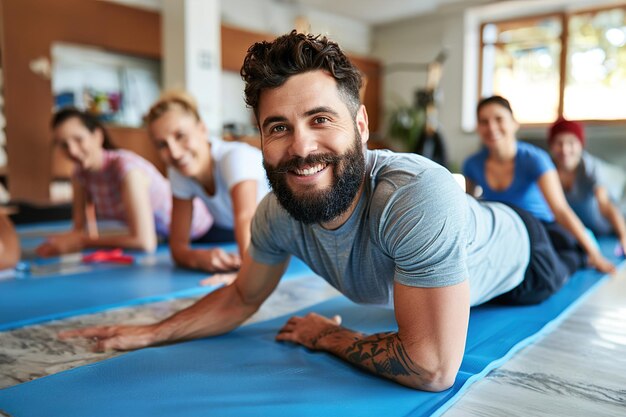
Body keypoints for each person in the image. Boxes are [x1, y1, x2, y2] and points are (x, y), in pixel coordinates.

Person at [59, 31, 613, 392]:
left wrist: (329, 336)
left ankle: (574, 239)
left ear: (363, 127)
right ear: (260, 139)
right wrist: (150, 333)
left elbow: (433, 367)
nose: (300, 147)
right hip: (460, 225)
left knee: (578, 248)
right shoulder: (276, 215)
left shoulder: (411, 194)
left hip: (524, 258)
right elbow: (241, 295)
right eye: (279, 127)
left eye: (321, 119)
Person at [463, 96, 614, 274]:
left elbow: (560, 210)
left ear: (514, 123)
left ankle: (580, 252)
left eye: (499, 119)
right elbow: (469, 212)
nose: (492, 127)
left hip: (543, 231)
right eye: (484, 121)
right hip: (505, 232)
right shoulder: (472, 164)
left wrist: (595, 254)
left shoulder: (535, 159)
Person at [36, 108, 212, 256]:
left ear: (97, 136)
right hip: (168, 239)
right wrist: (57, 243)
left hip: (203, 232)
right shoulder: (80, 174)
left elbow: (145, 242)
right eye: (64, 145)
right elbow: (80, 230)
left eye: (78, 140)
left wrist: (82, 242)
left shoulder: (126, 169)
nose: (72, 150)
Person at [144, 92, 270, 274]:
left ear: (202, 129)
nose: (175, 152)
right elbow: (178, 247)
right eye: (162, 145)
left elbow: (246, 219)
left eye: (180, 136)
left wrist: (245, 279)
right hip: (268, 242)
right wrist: (200, 258)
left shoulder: (235, 158)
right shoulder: (179, 171)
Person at [547, 118, 626, 253]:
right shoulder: (547, 170)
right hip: (581, 233)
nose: (565, 149)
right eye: (559, 143)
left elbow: (606, 206)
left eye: (571, 143)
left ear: (580, 145)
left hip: (609, 227)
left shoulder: (590, 168)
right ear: (551, 145)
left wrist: (623, 236)